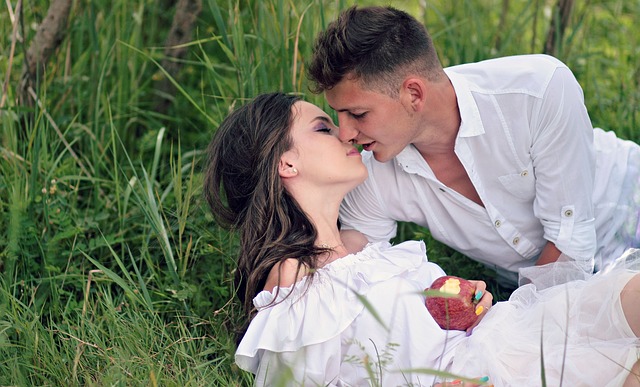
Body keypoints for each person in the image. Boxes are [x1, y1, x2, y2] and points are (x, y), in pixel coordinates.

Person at [203, 92, 640, 386]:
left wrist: (467, 305)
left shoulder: (364, 246)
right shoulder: (291, 274)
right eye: (321, 128)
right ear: (286, 165)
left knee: (623, 298)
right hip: (479, 373)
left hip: (503, 332)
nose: (344, 133)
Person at [307, 5, 640, 286]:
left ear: (414, 94)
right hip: (551, 286)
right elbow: (355, 267)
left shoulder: (537, 91)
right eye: (340, 115)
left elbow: (571, 252)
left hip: (630, 207)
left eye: (358, 114)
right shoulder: (371, 173)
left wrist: (506, 327)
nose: (345, 133)